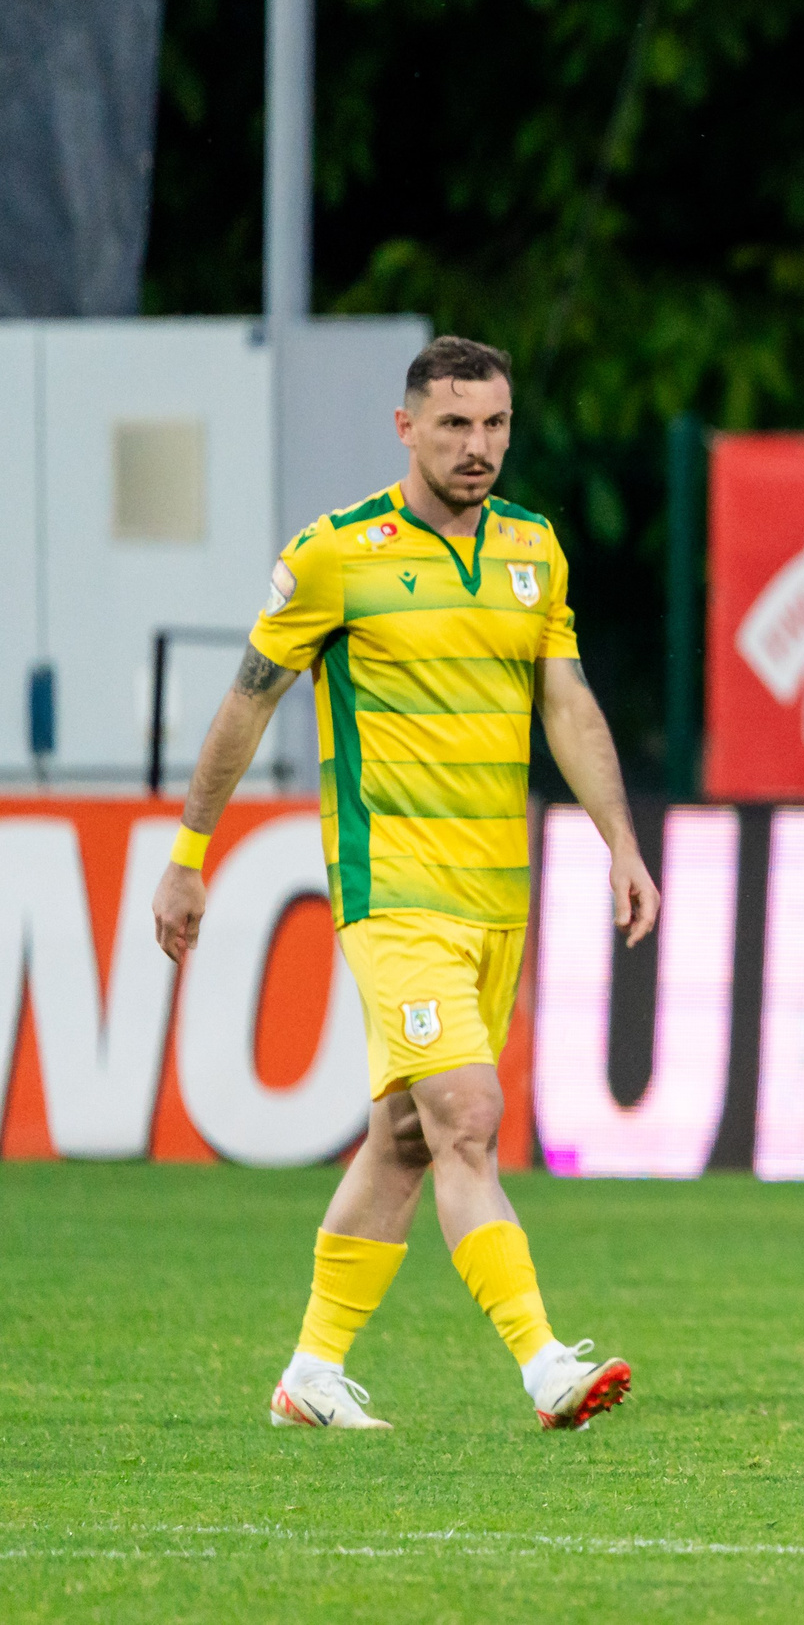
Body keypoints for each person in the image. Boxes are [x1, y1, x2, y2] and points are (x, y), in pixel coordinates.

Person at [151, 336, 661, 1431]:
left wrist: (618, 840)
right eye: (453, 426)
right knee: (470, 1114)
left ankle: (311, 1377)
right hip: (393, 893)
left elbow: (564, 704)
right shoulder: (336, 554)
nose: (478, 448)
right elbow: (249, 700)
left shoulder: (533, 548)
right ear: (405, 428)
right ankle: (543, 1366)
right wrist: (190, 853)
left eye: (494, 426)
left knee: (408, 1138)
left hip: (495, 897)